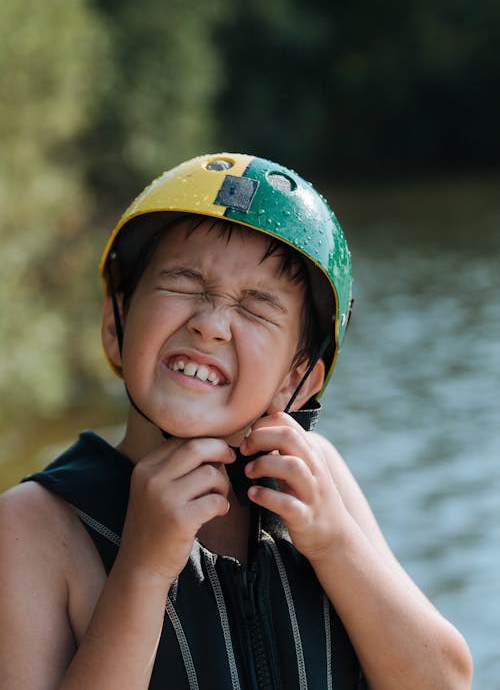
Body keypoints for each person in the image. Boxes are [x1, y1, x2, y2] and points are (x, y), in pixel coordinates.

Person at [0, 153, 472, 690]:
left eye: (256, 307)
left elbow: (446, 683)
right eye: (185, 284)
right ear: (116, 324)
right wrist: (143, 572)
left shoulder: (316, 479)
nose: (212, 324)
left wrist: (336, 544)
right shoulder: (32, 526)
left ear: (299, 380)